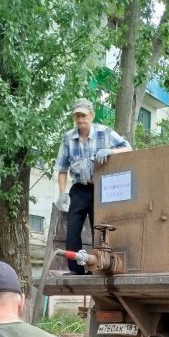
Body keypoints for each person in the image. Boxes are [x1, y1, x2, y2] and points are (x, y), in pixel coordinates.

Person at [56, 97, 131, 273]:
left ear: (92, 115)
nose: (80, 120)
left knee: (99, 226)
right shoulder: (68, 138)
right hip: (79, 189)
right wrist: (61, 193)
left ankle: (98, 265)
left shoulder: (104, 132)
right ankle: (76, 268)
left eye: (83, 115)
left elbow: (128, 148)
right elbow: (62, 169)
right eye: (77, 116)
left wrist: (111, 151)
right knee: (73, 228)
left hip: (100, 190)